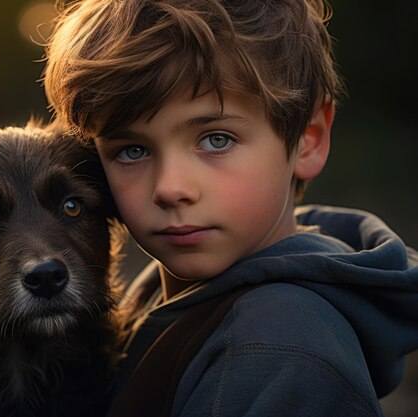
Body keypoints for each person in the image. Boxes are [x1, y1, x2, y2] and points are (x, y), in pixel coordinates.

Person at [42, 0, 418, 415]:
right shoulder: (158, 294)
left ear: (308, 138)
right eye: (132, 150)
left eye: (216, 139)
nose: (170, 188)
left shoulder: (276, 345)